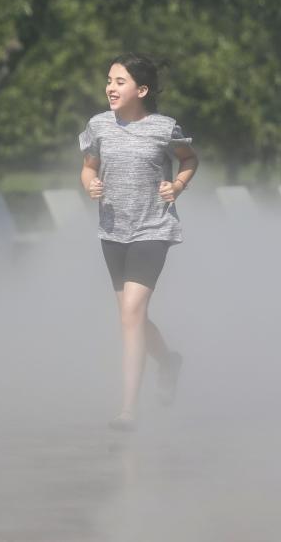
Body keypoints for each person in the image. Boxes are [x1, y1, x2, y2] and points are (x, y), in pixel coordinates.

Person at [78, 53, 199, 432]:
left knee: (130, 313)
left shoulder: (164, 128)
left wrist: (176, 186)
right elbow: (88, 166)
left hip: (153, 229)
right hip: (113, 230)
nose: (110, 88)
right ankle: (168, 362)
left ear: (141, 90)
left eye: (119, 82)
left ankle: (128, 410)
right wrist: (89, 185)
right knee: (134, 317)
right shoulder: (98, 126)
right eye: (109, 81)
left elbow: (189, 159)